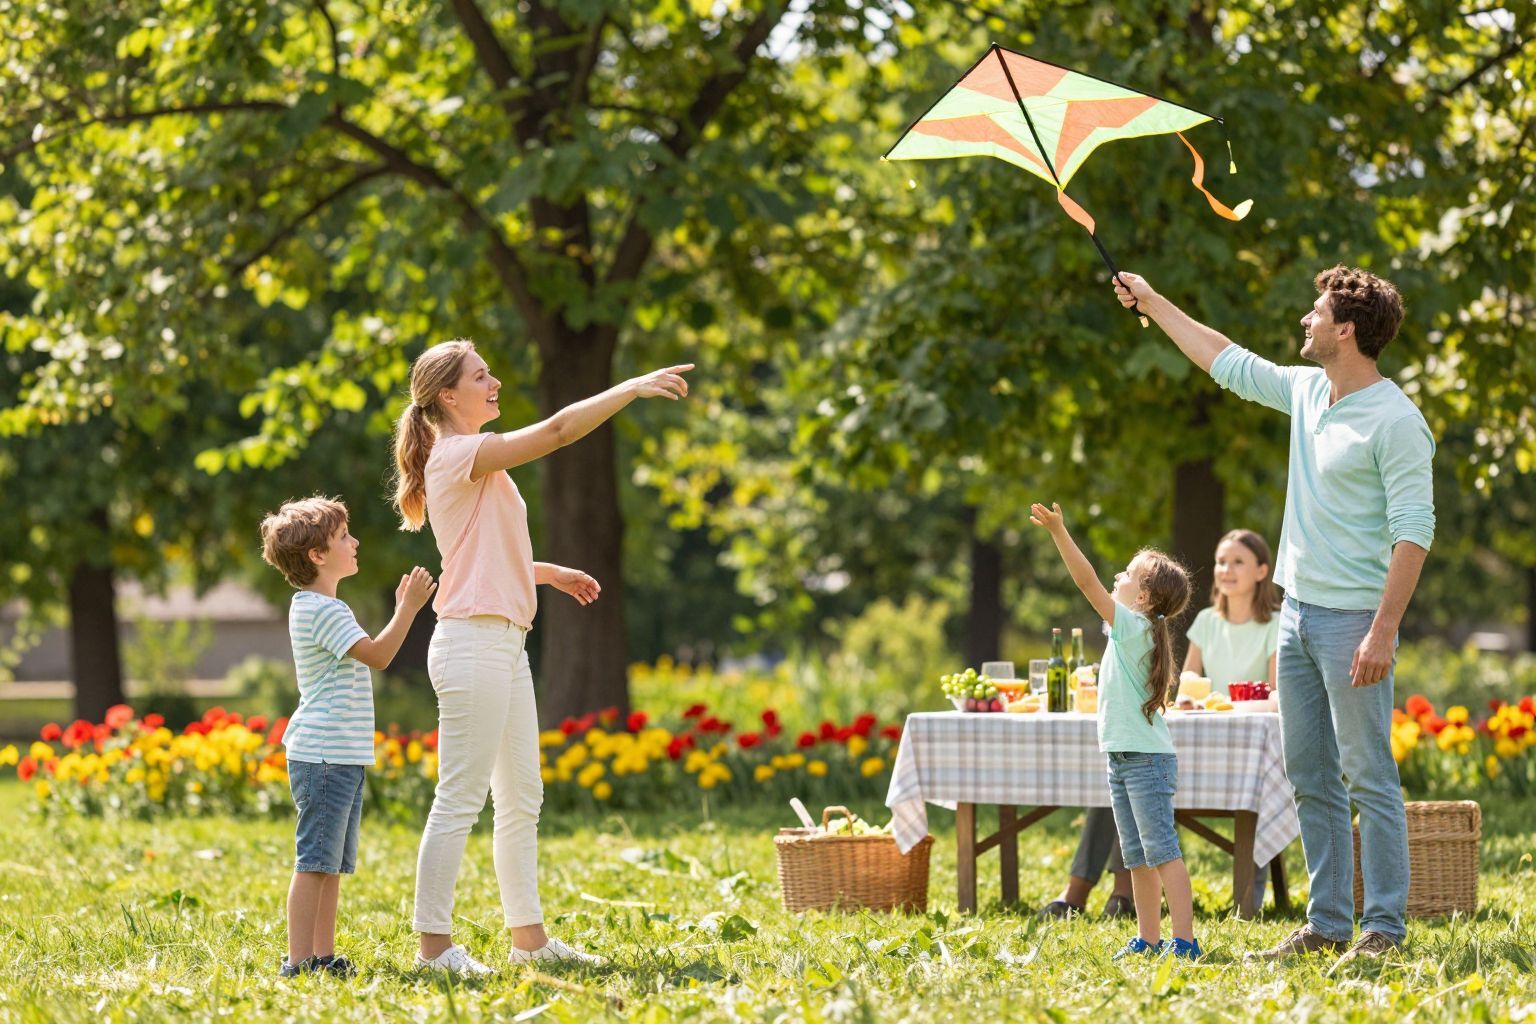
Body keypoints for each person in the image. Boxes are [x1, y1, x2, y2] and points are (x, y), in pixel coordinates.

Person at [1113, 267, 1434, 966]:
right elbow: (1224, 359)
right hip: (1295, 617)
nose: (1304, 322)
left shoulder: (1397, 421)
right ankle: (1327, 923)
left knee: (1368, 773)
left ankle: (1383, 929)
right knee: (1310, 774)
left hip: (1355, 623)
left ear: (1345, 330)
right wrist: (1155, 296)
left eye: (1315, 314)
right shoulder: (1308, 390)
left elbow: (1415, 532)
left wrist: (1383, 629)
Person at [392, 338, 691, 974]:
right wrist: (630, 387)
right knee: (461, 798)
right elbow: (557, 431)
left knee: (522, 798)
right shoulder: (457, 454)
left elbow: (482, 557)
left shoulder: (475, 463)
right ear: (449, 396)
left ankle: (530, 940)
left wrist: (546, 574)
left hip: (503, 641)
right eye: (481, 376)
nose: (494, 382)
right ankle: (433, 949)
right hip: (471, 642)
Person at [259, 496, 438, 978]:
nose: (354, 542)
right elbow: (379, 655)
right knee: (314, 862)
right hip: (323, 757)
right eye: (343, 537)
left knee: (331, 865)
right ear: (317, 555)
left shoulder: (321, 605)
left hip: (337, 756)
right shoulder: (323, 610)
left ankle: (322, 956)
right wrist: (408, 608)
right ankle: (298, 962)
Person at [1030, 502, 1202, 960]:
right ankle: (1148, 939)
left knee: (1163, 852)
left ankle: (1184, 941)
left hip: (1144, 762)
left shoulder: (1134, 626)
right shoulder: (1134, 630)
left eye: (1127, 573)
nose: (1117, 577)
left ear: (1144, 597)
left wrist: (1059, 533)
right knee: (1138, 858)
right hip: (1124, 759)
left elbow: (1086, 581)